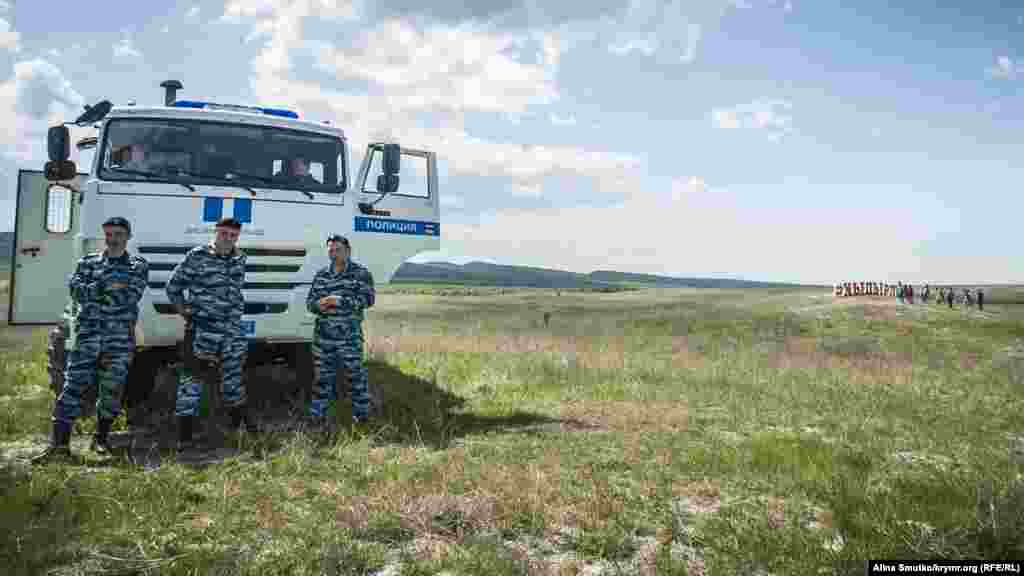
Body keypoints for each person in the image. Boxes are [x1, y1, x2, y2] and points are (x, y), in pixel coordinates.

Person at [31, 218, 149, 464]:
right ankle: (59, 447)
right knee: (71, 388)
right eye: (108, 234)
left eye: (118, 234)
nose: (112, 238)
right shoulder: (87, 262)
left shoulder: (138, 265)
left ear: (128, 236)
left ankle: (101, 440)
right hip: (88, 336)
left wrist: (95, 290)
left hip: (118, 339)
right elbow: (76, 291)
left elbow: (129, 297)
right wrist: (110, 286)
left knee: (111, 390)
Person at [166, 217, 255, 455]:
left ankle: (239, 430)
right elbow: (173, 286)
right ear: (216, 233)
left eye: (233, 235)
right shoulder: (198, 256)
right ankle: (185, 438)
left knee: (233, 381)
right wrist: (185, 311)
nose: (228, 239)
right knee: (192, 383)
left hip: (232, 332)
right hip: (203, 331)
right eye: (224, 234)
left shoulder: (240, 259)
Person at [305, 234, 376, 427]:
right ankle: (317, 416)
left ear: (348, 251)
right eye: (331, 250)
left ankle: (362, 417)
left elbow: (368, 300)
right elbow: (309, 303)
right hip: (323, 338)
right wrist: (318, 305)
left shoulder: (360, 273)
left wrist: (340, 301)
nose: (334, 254)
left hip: (349, 338)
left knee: (355, 377)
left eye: (338, 250)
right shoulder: (321, 275)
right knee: (321, 379)